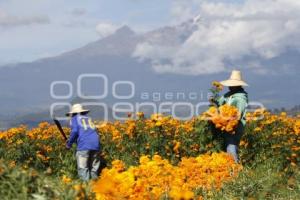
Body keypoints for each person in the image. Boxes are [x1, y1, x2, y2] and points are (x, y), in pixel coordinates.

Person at [217, 70, 249, 163]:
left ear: (238, 86)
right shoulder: (229, 95)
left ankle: (234, 169)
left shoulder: (240, 98)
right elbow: (220, 102)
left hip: (235, 126)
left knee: (231, 145)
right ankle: (230, 168)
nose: (230, 87)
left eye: (232, 85)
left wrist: (230, 122)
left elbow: (238, 114)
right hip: (226, 125)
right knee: (228, 145)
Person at [66, 104, 101, 181]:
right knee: (94, 168)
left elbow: (75, 131)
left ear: (73, 113)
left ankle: (86, 189)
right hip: (96, 144)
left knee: (83, 168)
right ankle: (96, 186)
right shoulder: (89, 119)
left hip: (84, 145)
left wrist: (69, 144)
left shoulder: (75, 119)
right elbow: (91, 131)